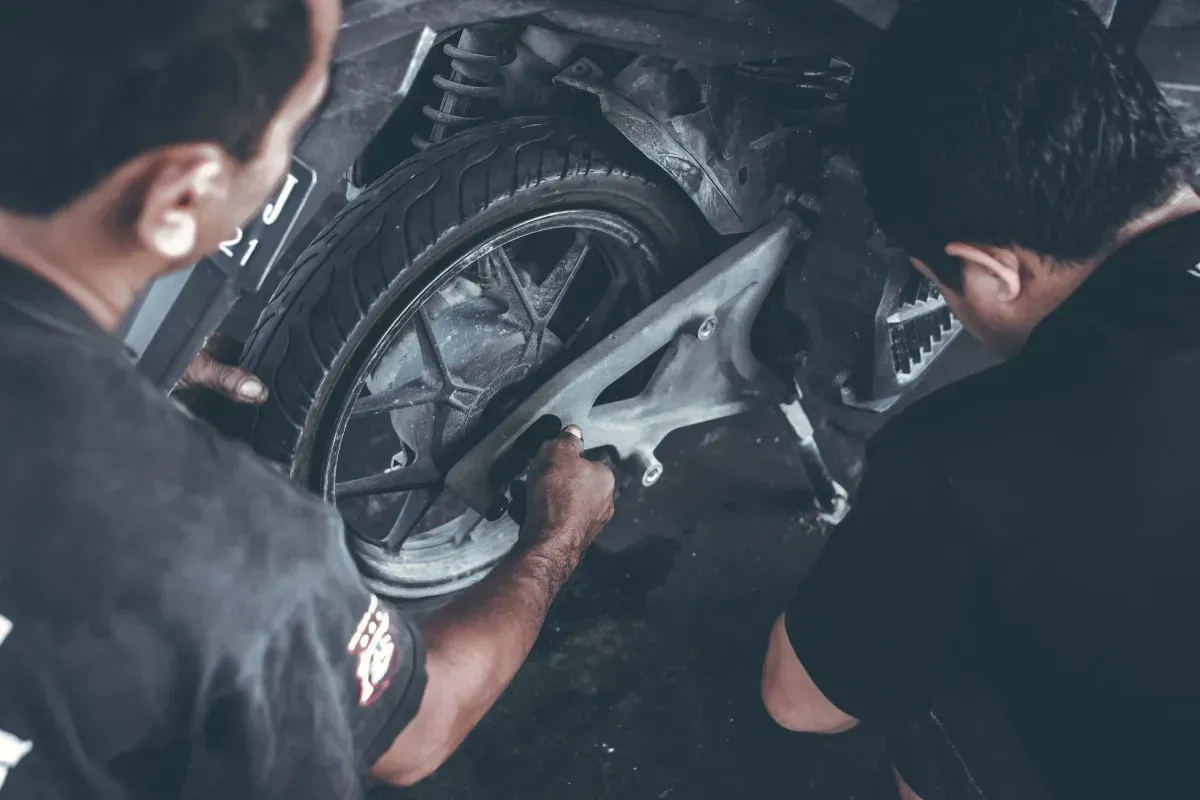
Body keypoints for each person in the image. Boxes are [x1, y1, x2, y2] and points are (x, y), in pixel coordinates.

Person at [0, 1, 615, 797]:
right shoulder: (237, 558)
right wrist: (555, 542)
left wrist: (109, 368)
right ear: (181, 197)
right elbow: (419, 731)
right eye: (302, 122)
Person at [760, 1, 1200, 798]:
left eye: (940, 290)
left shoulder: (970, 458)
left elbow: (800, 702)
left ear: (992, 272)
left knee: (938, 713)